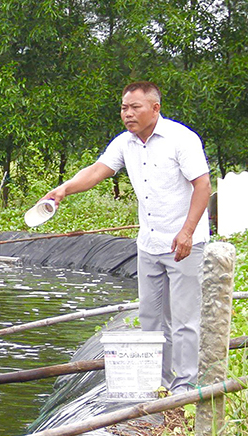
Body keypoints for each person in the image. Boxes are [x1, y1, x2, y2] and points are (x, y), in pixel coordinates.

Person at [45, 82, 211, 391]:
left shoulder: (181, 139)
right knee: (151, 318)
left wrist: (187, 231)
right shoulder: (125, 143)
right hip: (148, 244)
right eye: (124, 108)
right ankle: (157, 383)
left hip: (184, 244)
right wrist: (64, 188)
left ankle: (185, 385)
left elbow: (203, 185)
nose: (128, 114)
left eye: (135, 107)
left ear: (155, 109)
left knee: (185, 320)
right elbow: (97, 171)